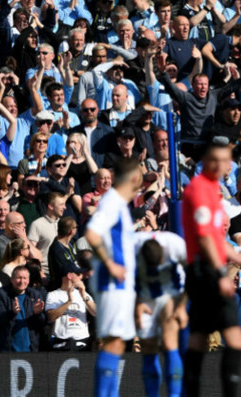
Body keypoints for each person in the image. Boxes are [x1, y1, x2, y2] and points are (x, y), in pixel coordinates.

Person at [181, 137, 241, 397]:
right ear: (206, 161)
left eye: (225, 161)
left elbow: (219, 241)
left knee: (206, 340)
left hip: (207, 272)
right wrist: (220, 273)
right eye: (216, 160)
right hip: (203, 273)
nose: (222, 165)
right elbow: (206, 239)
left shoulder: (211, 192)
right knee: (220, 340)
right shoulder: (198, 191)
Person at [84, 157, 143, 397]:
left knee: (117, 344)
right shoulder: (112, 202)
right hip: (112, 285)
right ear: (134, 178)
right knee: (112, 343)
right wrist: (111, 265)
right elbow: (92, 232)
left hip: (121, 286)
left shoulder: (119, 204)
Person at [134, 231, 188, 397]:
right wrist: (136, 304)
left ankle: (174, 394)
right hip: (145, 294)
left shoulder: (177, 245)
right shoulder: (131, 245)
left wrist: (181, 307)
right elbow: (123, 277)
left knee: (169, 341)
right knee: (148, 345)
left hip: (171, 292)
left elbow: (194, 273)